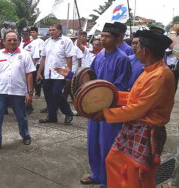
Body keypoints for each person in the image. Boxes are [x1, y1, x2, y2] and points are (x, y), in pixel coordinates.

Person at [90, 29, 175, 188]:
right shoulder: (149, 71)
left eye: (138, 46)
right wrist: (111, 96)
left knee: (139, 174)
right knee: (113, 161)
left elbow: (138, 108)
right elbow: (133, 98)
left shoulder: (161, 75)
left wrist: (106, 114)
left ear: (146, 51)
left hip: (147, 130)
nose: (134, 49)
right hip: (134, 127)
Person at [79, 23, 132, 187]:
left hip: (110, 109)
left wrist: (104, 101)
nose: (102, 39)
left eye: (106, 36)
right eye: (101, 35)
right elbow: (92, 77)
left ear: (117, 39)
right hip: (94, 107)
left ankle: (109, 180)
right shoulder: (100, 55)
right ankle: (97, 174)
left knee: (107, 145)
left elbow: (120, 87)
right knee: (93, 142)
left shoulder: (122, 59)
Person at [0, 31, 36, 153]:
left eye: (14, 39)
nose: (12, 42)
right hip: (0, 91)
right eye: (9, 40)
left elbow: (29, 74)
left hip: (18, 91)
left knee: (21, 116)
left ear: (18, 41)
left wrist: (29, 92)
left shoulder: (25, 55)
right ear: (4, 41)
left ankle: (25, 135)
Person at [36, 24, 75, 124]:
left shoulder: (66, 41)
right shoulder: (47, 42)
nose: (51, 32)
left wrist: (68, 73)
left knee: (56, 93)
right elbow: (43, 58)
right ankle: (52, 116)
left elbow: (69, 58)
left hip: (60, 73)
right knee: (48, 95)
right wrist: (39, 72)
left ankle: (68, 113)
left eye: (53, 30)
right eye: (50, 30)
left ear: (59, 30)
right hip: (48, 73)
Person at [25, 26, 44, 98]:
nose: (32, 34)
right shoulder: (32, 41)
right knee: (32, 79)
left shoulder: (39, 41)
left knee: (37, 79)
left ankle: (37, 93)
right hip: (32, 62)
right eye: (31, 32)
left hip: (38, 63)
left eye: (34, 32)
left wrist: (32, 65)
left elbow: (37, 55)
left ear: (37, 33)